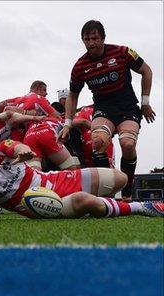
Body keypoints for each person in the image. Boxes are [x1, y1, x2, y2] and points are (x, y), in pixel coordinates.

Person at [58, 20, 156, 202]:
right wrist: (67, 123)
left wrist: (145, 103)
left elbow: (146, 71)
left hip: (127, 107)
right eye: (86, 39)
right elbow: (73, 95)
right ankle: (108, 192)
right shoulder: (80, 66)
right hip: (104, 109)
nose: (91, 43)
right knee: (98, 142)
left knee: (127, 144)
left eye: (95, 38)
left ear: (103, 38)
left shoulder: (122, 52)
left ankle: (126, 193)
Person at [0, 132, 163, 218]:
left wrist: (23, 152)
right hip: (43, 203)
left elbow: (18, 147)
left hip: (53, 179)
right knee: (85, 201)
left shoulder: (1, 148)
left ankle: (101, 206)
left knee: (121, 178)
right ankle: (142, 208)